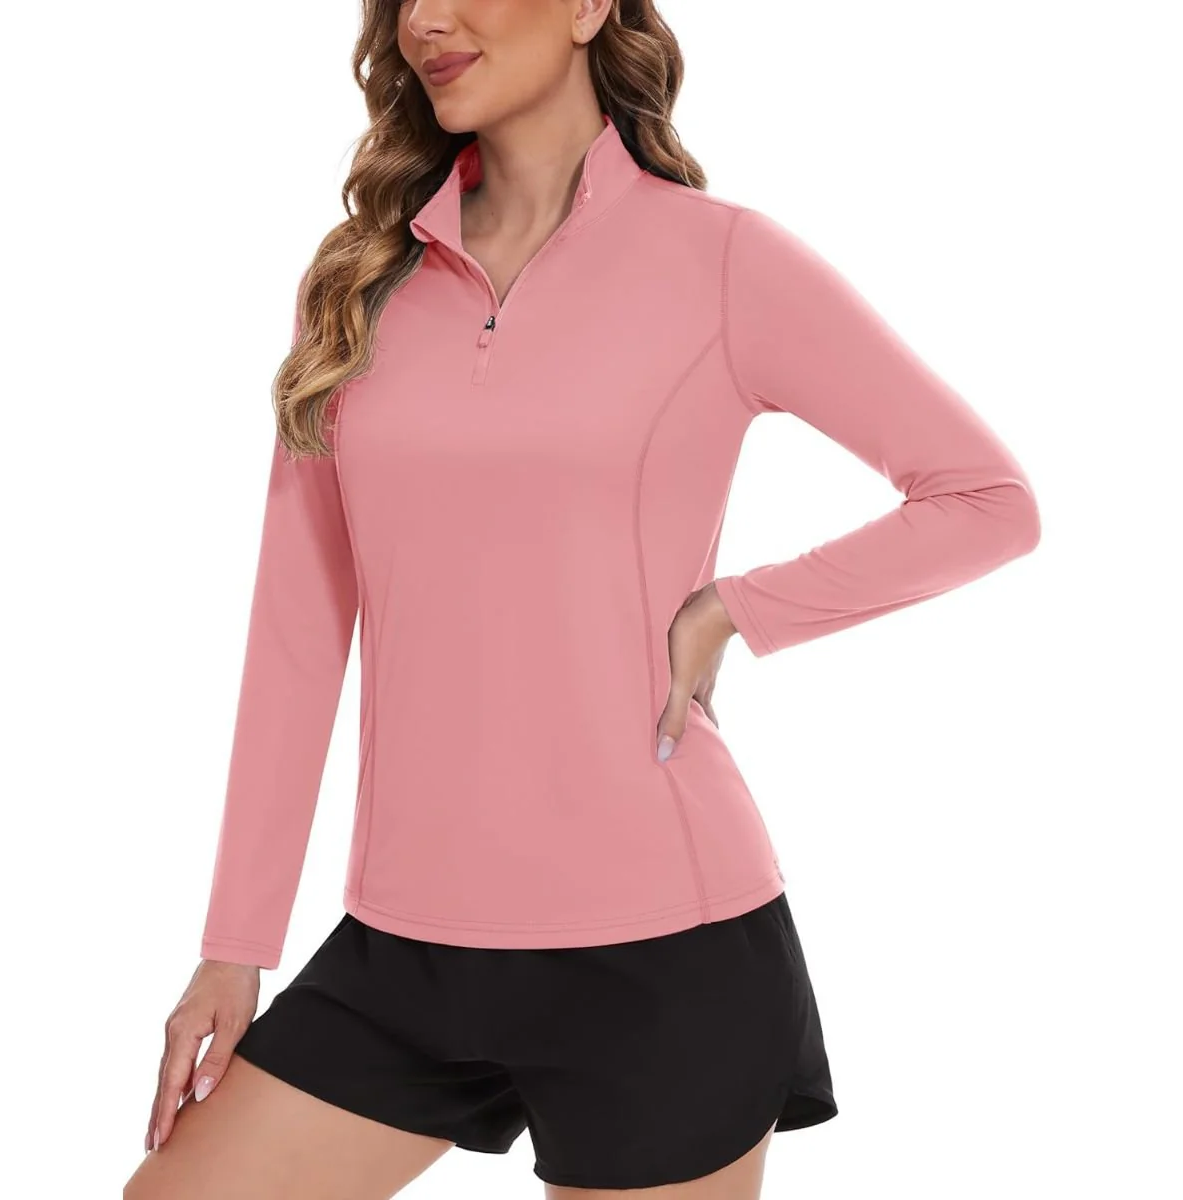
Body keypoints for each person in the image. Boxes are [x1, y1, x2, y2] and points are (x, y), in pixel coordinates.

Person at [125, 1, 1040, 1197]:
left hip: (662, 955)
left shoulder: (722, 261)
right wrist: (235, 946)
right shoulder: (357, 284)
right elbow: (296, 637)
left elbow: (986, 498)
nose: (424, 20)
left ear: (590, 5)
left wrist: (738, 608)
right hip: (404, 949)